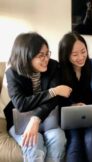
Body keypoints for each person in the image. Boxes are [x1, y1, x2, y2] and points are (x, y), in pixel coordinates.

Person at [4, 32, 72, 162]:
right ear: (26, 56)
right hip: (21, 122)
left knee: (58, 139)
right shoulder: (12, 73)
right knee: (33, 144)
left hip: (47, 119)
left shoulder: (53, 66)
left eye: (47, 54)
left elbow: (54, 101)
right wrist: (53, 91)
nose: (46, 59)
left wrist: (36, 119)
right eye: (41, 56)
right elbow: (21, 104)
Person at [58, 31, 92, 162]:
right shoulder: (60, 71)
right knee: (74, 144)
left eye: (83, 51)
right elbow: (57, 101)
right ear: (66, 55)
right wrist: (72, 106)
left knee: (91, 140)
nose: (81, 57)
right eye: (75, 54)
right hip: (72, 121)